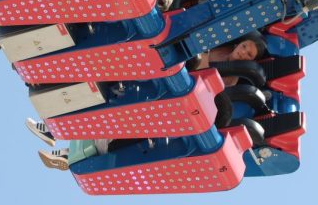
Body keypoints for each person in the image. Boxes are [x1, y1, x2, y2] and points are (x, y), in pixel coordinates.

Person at [28, 33, 267, 170]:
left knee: (114, 126)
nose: (243, 52)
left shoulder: (228, 85)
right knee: (107, 99)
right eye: (245, 47)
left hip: (166, 103)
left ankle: (66, 151)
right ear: (239, 43)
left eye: (248, 54)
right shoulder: (217, 46)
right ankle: (54, 129)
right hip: (160, 80)